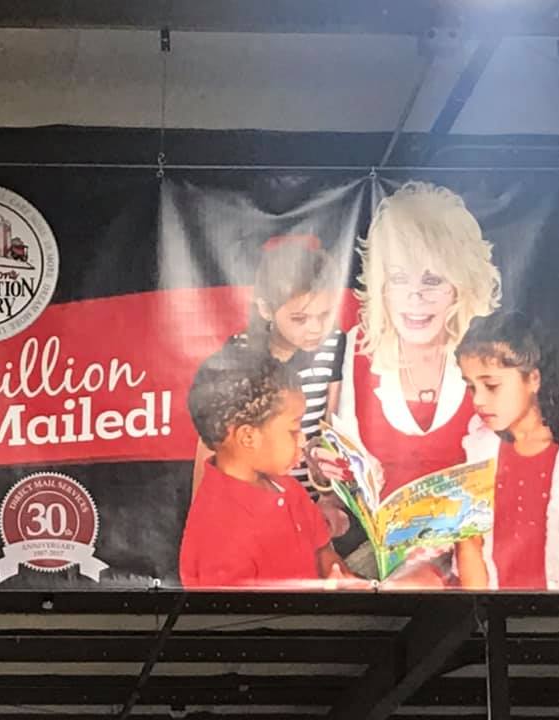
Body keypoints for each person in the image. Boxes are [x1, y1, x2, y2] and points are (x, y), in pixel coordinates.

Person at [309, 181, 502, 585]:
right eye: (398, 278)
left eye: (432, 280)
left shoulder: (490, 353)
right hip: (383, 550)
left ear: (460, 284)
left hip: (476, 554)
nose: (414, 297)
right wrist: (324, 472)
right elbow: (335, 463)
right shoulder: (357, 348)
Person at [191, 235, 348, 533]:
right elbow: (210, 444)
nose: (315, 329)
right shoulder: (239, 354)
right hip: (250, 507)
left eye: (325, 315)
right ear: (266, 309)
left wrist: (330, 499)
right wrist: (203, 520)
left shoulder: (333, 345)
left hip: (309, 505)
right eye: (299, 318)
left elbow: (331, 429)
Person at [179, 344, 360, 589]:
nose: (303, 440)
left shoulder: (287, 488)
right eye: (293, 430)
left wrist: (335, 572)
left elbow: (322, 549)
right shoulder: (219, 536)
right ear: (248, 437)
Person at [454, 312, 559, 590]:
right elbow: (469, 547)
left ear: (533, 379)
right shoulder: (476, 449)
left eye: (491, 386)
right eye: (471, 387)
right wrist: (481, 605)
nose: (478, 399)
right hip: (491, 605)